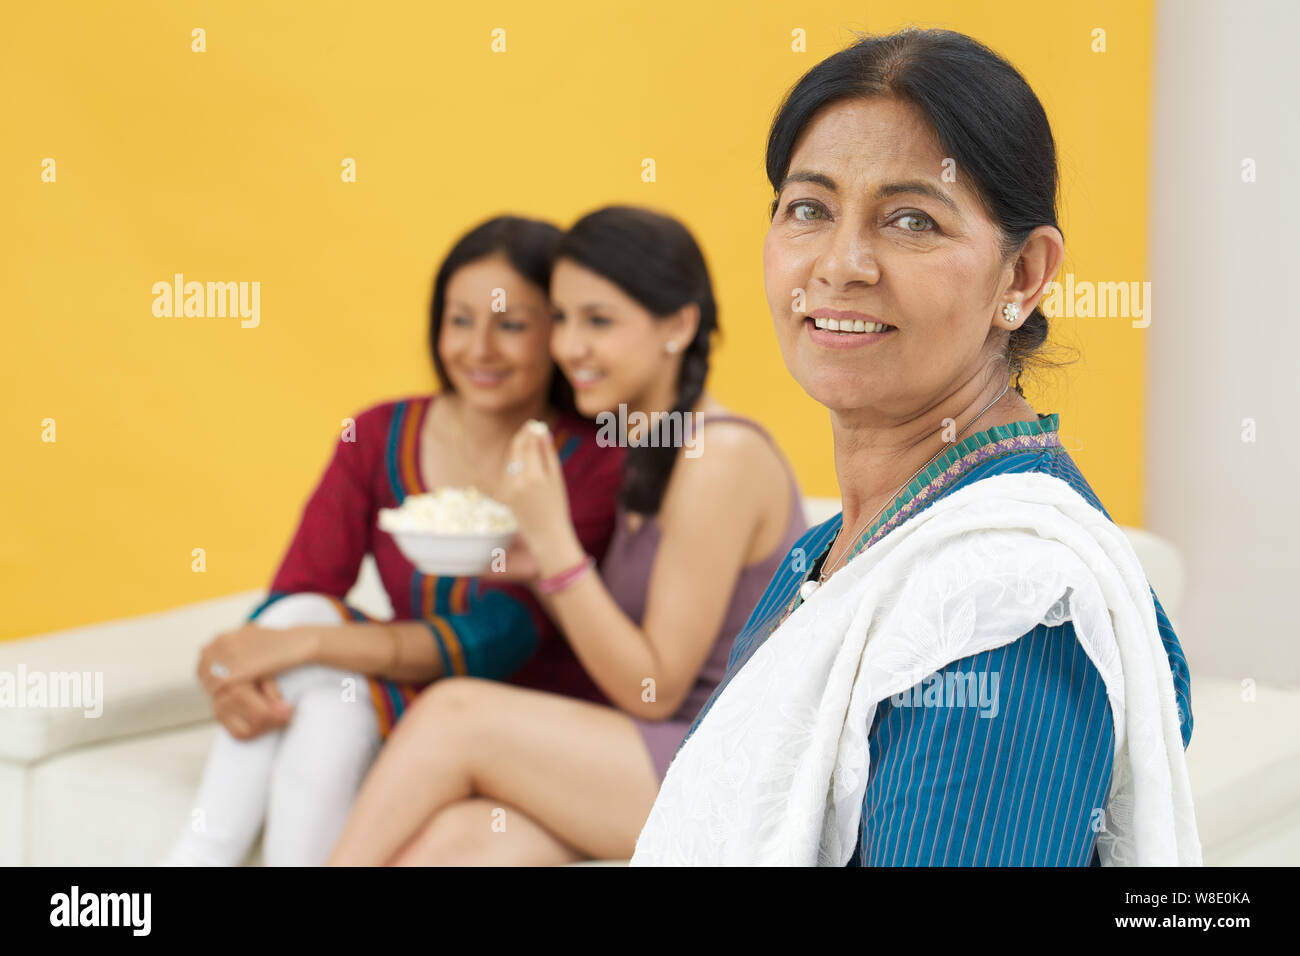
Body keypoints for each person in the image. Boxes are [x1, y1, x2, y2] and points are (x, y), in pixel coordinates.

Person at [631, 28, 1200, 866]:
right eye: (809, 209)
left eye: (910, 220)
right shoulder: (840, 552)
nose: (842, 264)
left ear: (1023, 276)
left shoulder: (1003, 598)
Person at [328, 206, 808, 865]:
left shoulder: (718, 457)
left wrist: (556, 550)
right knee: (452, 844)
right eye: (560, 318)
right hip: (648, 757)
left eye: (599, 321)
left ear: (679, 325)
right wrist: (537, 564)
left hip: (721, 769)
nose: (569, 347)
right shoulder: (643, 449)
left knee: (454, 713)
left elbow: (658, 688)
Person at [162, 216, 623, 866]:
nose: (480, 348)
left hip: (518, 724)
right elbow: (301, 591)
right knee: (328, 698)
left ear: (560, 332)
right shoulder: (380, 435)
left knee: (321, 670)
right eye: (460, 320)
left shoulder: (592, 459)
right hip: (399, 706)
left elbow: (497, 638)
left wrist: (301, 643)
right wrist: (242, 672)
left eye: (511, 324)